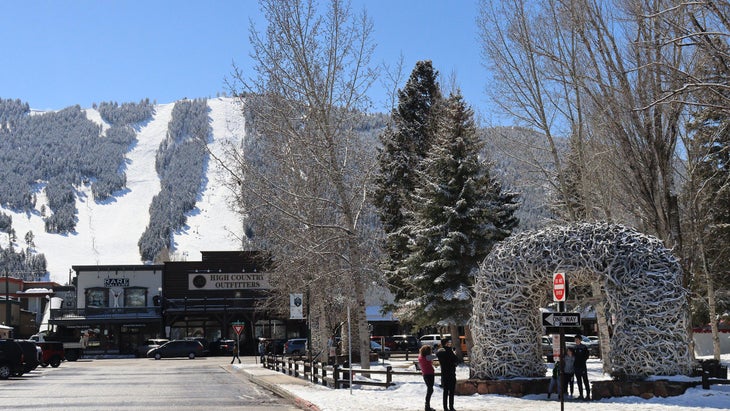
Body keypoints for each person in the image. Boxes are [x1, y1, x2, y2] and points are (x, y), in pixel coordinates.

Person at [436, 338, 458, 411]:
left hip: (444, 374)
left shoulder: (439, 352)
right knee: (451, 391)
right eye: (449, 342)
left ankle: (445, 407)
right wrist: (454, 353)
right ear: (446, 343)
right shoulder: (449, 351)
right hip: (451, 373)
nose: (450, 343)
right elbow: (456, 360)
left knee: (445, 391)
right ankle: (451, 407)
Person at [418, 344, 437, 411]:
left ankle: (427, 405)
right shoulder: (427, 357)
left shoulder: (420, 357)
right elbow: (436, 355)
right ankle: (427, 406)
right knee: (430, 390)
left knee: (430, 389)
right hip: (430, 374)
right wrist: (436, 350)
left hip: (425, 374)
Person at [573, 334, 590, 400]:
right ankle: (581, 395)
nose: (576, 341)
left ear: (580, 340)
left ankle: (588, 395)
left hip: (582, 367)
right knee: (579, 381)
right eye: (575, 340)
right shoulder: (574, 347)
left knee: (585, 381)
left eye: (577, 340)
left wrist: (582, 361)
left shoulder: (584, 347)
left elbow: (586, 356)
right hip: (576, 367)